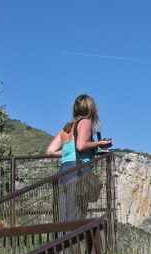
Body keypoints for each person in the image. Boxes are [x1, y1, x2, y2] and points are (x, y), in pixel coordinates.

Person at [46, 94, 113, 222]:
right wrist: (99, 143)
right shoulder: (85, 122)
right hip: (78, 172)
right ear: (91, 109)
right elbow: (81, 145)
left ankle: (62, 241)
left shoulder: (66, 128)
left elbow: (50, 151)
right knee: (75, 217)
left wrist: (67, 151)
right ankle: (72, 241)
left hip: (63, 173)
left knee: (62, 219)